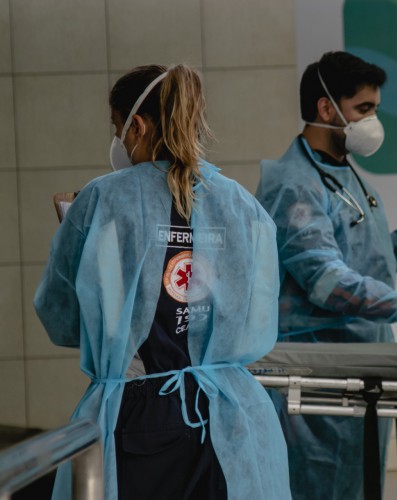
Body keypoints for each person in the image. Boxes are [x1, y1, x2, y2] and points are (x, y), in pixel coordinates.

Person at [34, 64, 290, 500]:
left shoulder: (102, 199)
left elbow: (64, 321)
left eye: (117, 127)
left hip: (141, 417)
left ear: (135, 125)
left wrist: (73, 232)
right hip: (230, 415)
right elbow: (257, 315)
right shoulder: (242, 206)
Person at [255, 51, 397, 499]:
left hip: (358, 367)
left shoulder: (343, 175)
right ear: (326, 108)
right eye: (362, 109)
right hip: (317, 376)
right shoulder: (295, 183)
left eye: (374, 109)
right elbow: (325, 280)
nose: (372, 122)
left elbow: (370, 261)